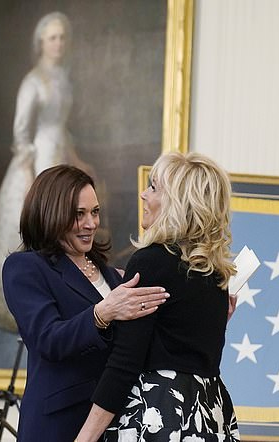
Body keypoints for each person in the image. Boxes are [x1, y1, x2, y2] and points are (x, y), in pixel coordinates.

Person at [0, 11, 93, 342]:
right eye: (52, 38)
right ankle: (20, 305)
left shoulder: (62, 79)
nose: (58, 43)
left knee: (62, 229)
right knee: (27, 232)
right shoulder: (33, 81)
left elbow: (61, 128)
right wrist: (30, 181)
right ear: (41, 42)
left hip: (57, 158)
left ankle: (57, 300)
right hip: (34, 163)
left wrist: (77, 160)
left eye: (62, 37)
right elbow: (22, 133)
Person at [76, 152, 241, 442]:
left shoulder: (151, 262)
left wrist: (84, 438)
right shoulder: (216, 271)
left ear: (176, 203)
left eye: (153, 187)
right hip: (207, 413)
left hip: (160, 412)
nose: (143, 193)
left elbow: (124, 363)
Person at [2, 165, 169, 442]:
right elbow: (47, 340)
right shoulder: (24, 268)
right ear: (50, 212)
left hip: (118, 422)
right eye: (78, 214)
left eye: (95, 212)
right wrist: (103, 313)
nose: (91, 223)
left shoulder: (110, 273)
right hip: (60, 425)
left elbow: (139, 343)